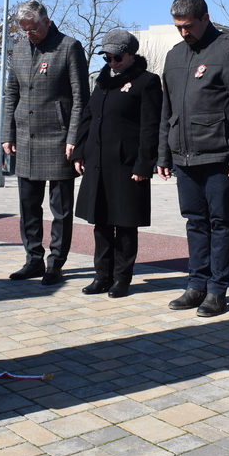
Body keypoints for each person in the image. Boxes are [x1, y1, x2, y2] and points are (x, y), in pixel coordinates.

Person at [157, 0, 229, 317]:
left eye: (188, 26)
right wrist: (163, 155)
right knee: (194, 221)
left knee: (220, 221)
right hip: (184, 156)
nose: (183, 32)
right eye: (178, 27)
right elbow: (167, 109)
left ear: (205, 17)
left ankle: (216, 290)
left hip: (219, 156)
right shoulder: (173, 55)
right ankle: (196, 285)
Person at [1, 0, 89, 285]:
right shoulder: (19, 50)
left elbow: (80, 98)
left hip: (59, 139)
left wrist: (74, 137)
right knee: (28, 205)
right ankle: (33, 259)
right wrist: (7, 134)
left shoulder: (69, 47)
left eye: (33, 29)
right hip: (26, 139)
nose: (29, 34)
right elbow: (11, 94)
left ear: (47, 21)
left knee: (60, 209)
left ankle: (56, 263)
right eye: (24, 30)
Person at [73, 30, 162, 298]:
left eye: (117, 58)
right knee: (100, 222)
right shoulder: (101, 82)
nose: (112, 63)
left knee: (125, 223)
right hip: (98, 162)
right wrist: (80, 151)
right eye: (107, 58)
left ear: (131, 55)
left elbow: (150, 127)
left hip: (126, 164)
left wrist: (144, 165)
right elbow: (88, 117)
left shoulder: (146, 82)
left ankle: (122, 278)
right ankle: (102, 275)